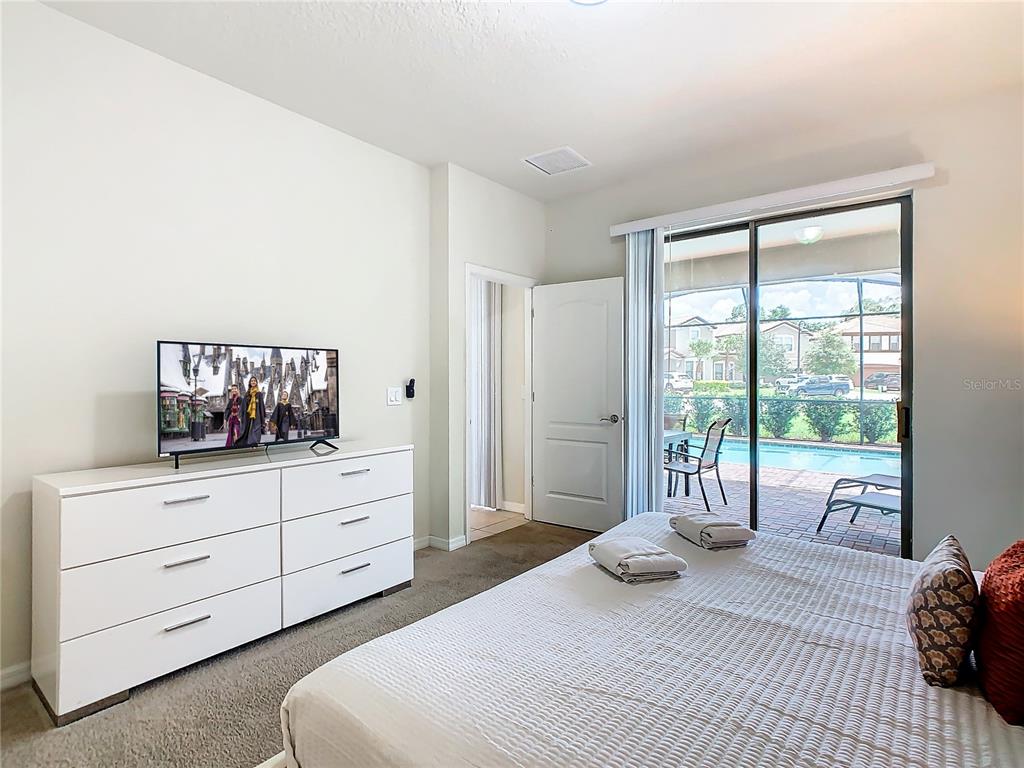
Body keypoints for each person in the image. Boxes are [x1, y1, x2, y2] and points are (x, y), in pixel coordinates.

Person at [236, 376, 266, 447]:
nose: (253, 382)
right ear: (250, 383)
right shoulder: (247, 394)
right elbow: (243, 405)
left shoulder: (259, 394)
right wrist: (240, 415)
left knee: (256, 430)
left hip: (256, 415)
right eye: (252, 381)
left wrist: (263, 419)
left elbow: (261, 406)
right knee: (246, 430)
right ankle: (247, 444)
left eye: (254, 381)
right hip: (248, 415)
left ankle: (254, 444)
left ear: (256, 383)